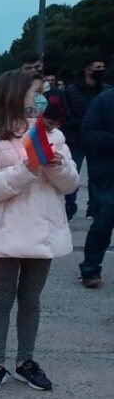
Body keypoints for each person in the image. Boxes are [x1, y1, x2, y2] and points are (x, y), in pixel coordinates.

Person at [0, 70, 78, 392]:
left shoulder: (53, 134)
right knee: (2, 298)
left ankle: (25, 360)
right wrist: (24, 170)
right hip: (5, 232)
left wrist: (56, 165)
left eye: (42, 93)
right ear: (15, 95)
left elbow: (70, 184)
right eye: (35, 92)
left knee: (31, 298)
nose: (41, 98)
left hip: (42, 231)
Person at [60, 57, 108, 219]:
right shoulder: (71, 91)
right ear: (88, 69)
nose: (101, 69)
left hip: (98, 142)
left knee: (98, 176)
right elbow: (65, 116)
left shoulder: (106, 91)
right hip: (76, 140)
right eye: (98, 67)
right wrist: (85, 125)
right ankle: (69, 206)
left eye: (103, 67)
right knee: (72, 173)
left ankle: (95, 207)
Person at [78, 85, 114, 289]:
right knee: (103, 222)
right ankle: (90, 268)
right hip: (107, 174)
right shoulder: (104, 100)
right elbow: (87, 133)